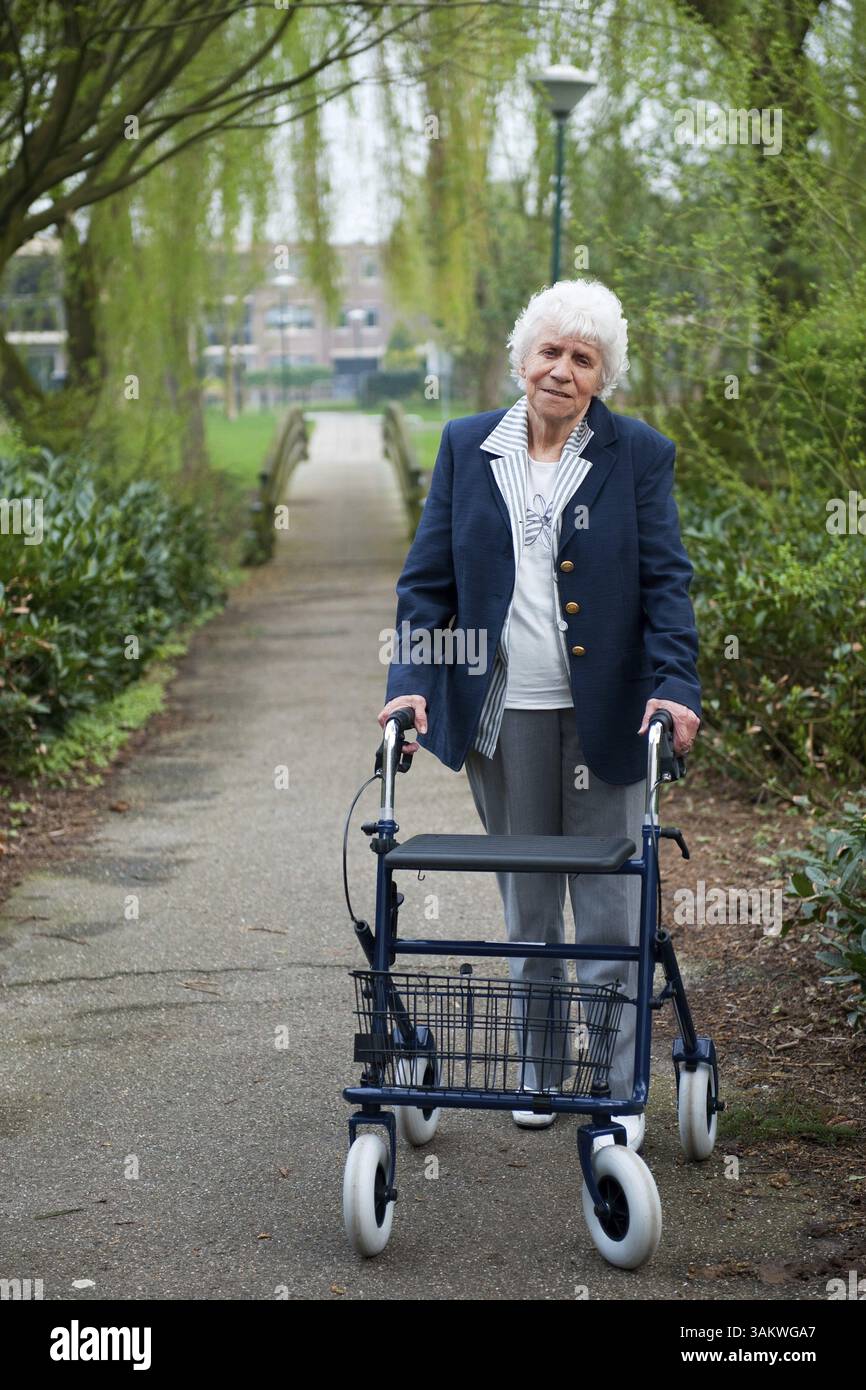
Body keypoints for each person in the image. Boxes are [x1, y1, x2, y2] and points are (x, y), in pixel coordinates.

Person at [377, 278, 701, 1142]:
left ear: (602, 377)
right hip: (503, 713)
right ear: (522, 360)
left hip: (607, 716)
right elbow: (427, 585)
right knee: (528, 904)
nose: (562, 369)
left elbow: (667, 583)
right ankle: (540, 1067)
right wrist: (409, 678)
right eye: (550, 352)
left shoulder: (638, 455)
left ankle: (615, 1080)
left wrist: (675, 687)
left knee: (606, 906)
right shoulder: (466, 446)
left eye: (582, 358)